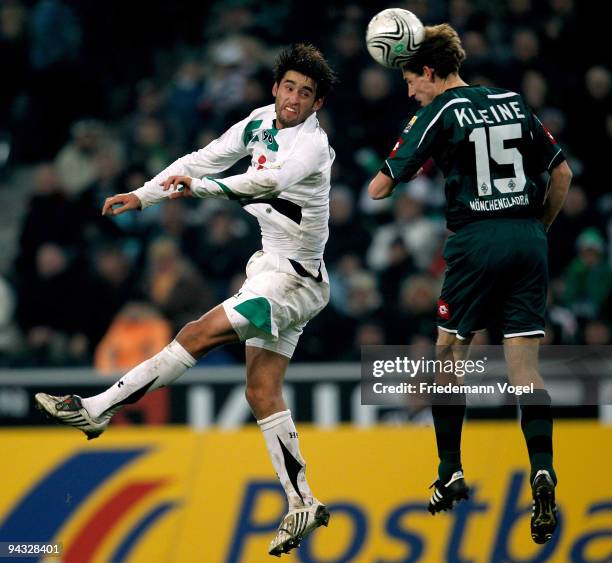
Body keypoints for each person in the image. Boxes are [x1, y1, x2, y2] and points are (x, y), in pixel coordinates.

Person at [35, 43, 337, 557]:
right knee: (262, 391)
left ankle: (97, 409)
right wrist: (145, 194)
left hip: (290, 280)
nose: (294, 98)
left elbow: (264, 182)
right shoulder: (260, 121)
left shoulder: (312, 146)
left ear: (317, 105)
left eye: (306, 93)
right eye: (289, 87)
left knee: (196, 334)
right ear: (275, 88)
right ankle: (301, 501)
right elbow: (203, 157)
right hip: (276, 270)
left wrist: (200, 189)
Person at [368, 24, 572, 545]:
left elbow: (379, 188)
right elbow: (563, 174)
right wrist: (533, 233)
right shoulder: (511, 99)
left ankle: (450, 469)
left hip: (473, 242)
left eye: (412, 81)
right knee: (525, 369)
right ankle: (543, 470)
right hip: (528, 238)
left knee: (448, 354)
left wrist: (399, 166)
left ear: (431, 73)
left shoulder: (437, 111)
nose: (410, 91)